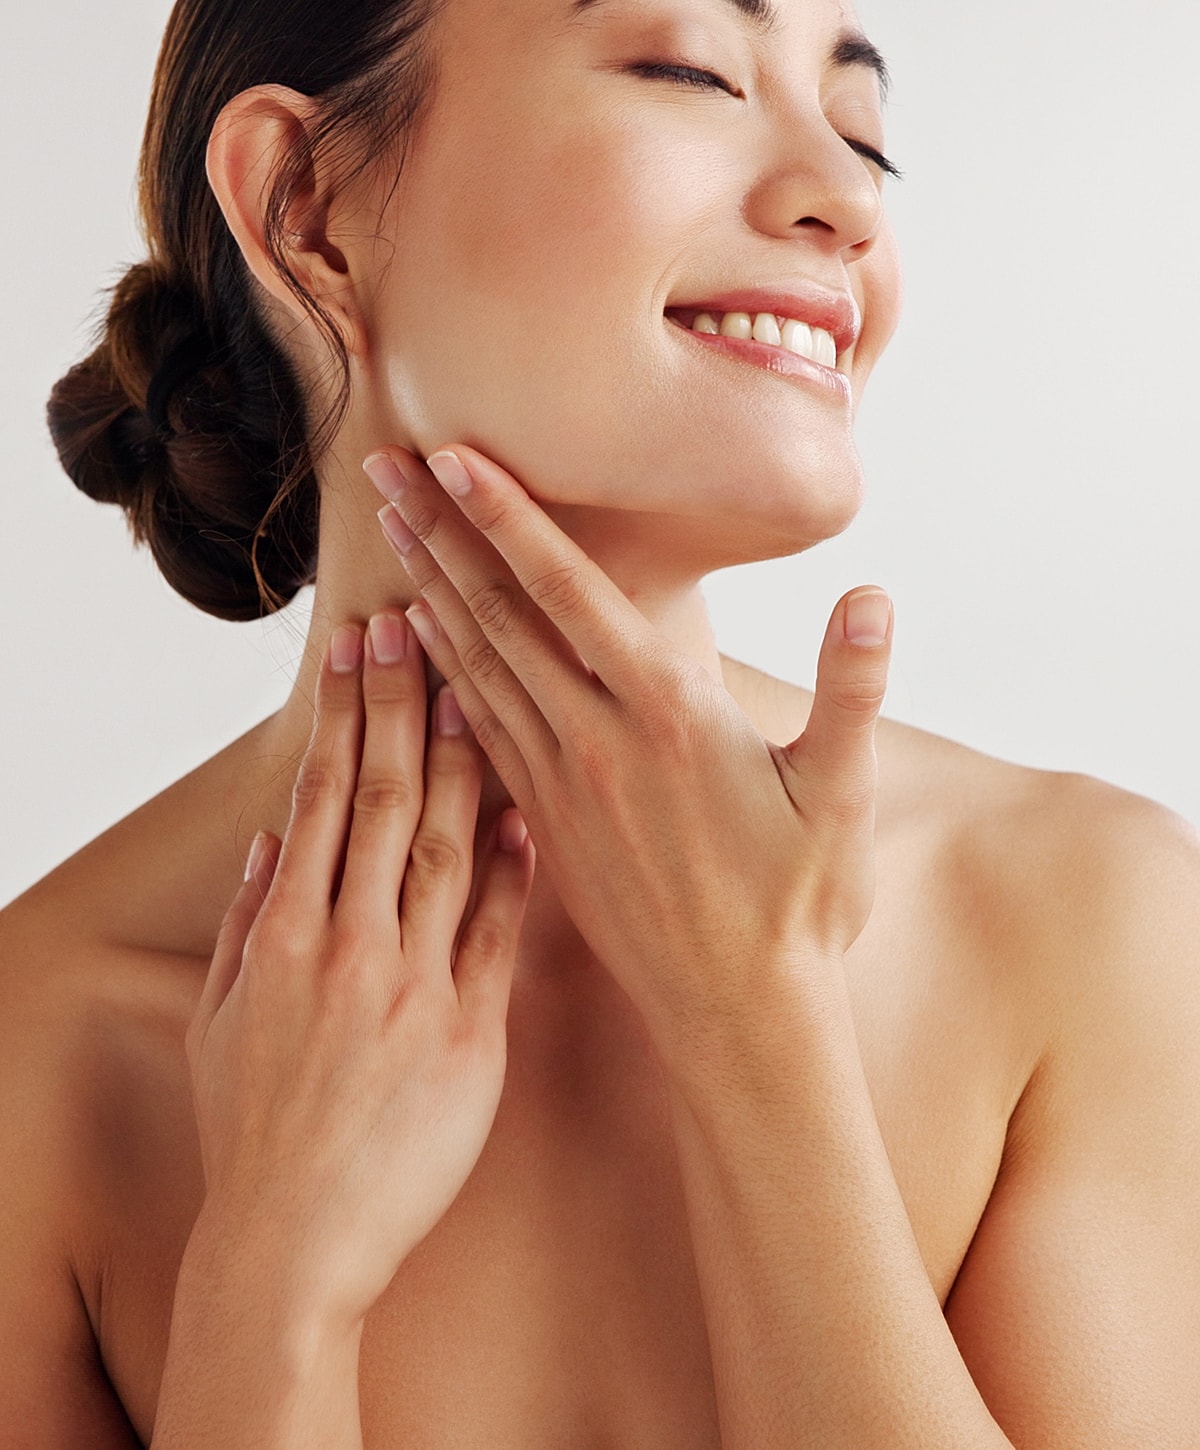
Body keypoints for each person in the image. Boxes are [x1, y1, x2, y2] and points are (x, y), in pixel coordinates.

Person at [2, 0, 1197, 1444]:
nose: (845, 197)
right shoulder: (40, 1050)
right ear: (304, 208)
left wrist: (759, 1033)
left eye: (863, 125)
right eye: (688, 68)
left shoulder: (1090, 921)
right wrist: (270, 1279)